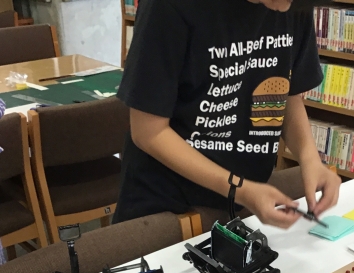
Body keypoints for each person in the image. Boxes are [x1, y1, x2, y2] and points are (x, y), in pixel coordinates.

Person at [114, 0, 340, 228]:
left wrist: (310, 158)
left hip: (242, 201)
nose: (285, 8)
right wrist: (240, 189)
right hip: (165, 207)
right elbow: (148, 133)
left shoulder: (294, 6)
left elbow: (287, 94)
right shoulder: (167, 6)